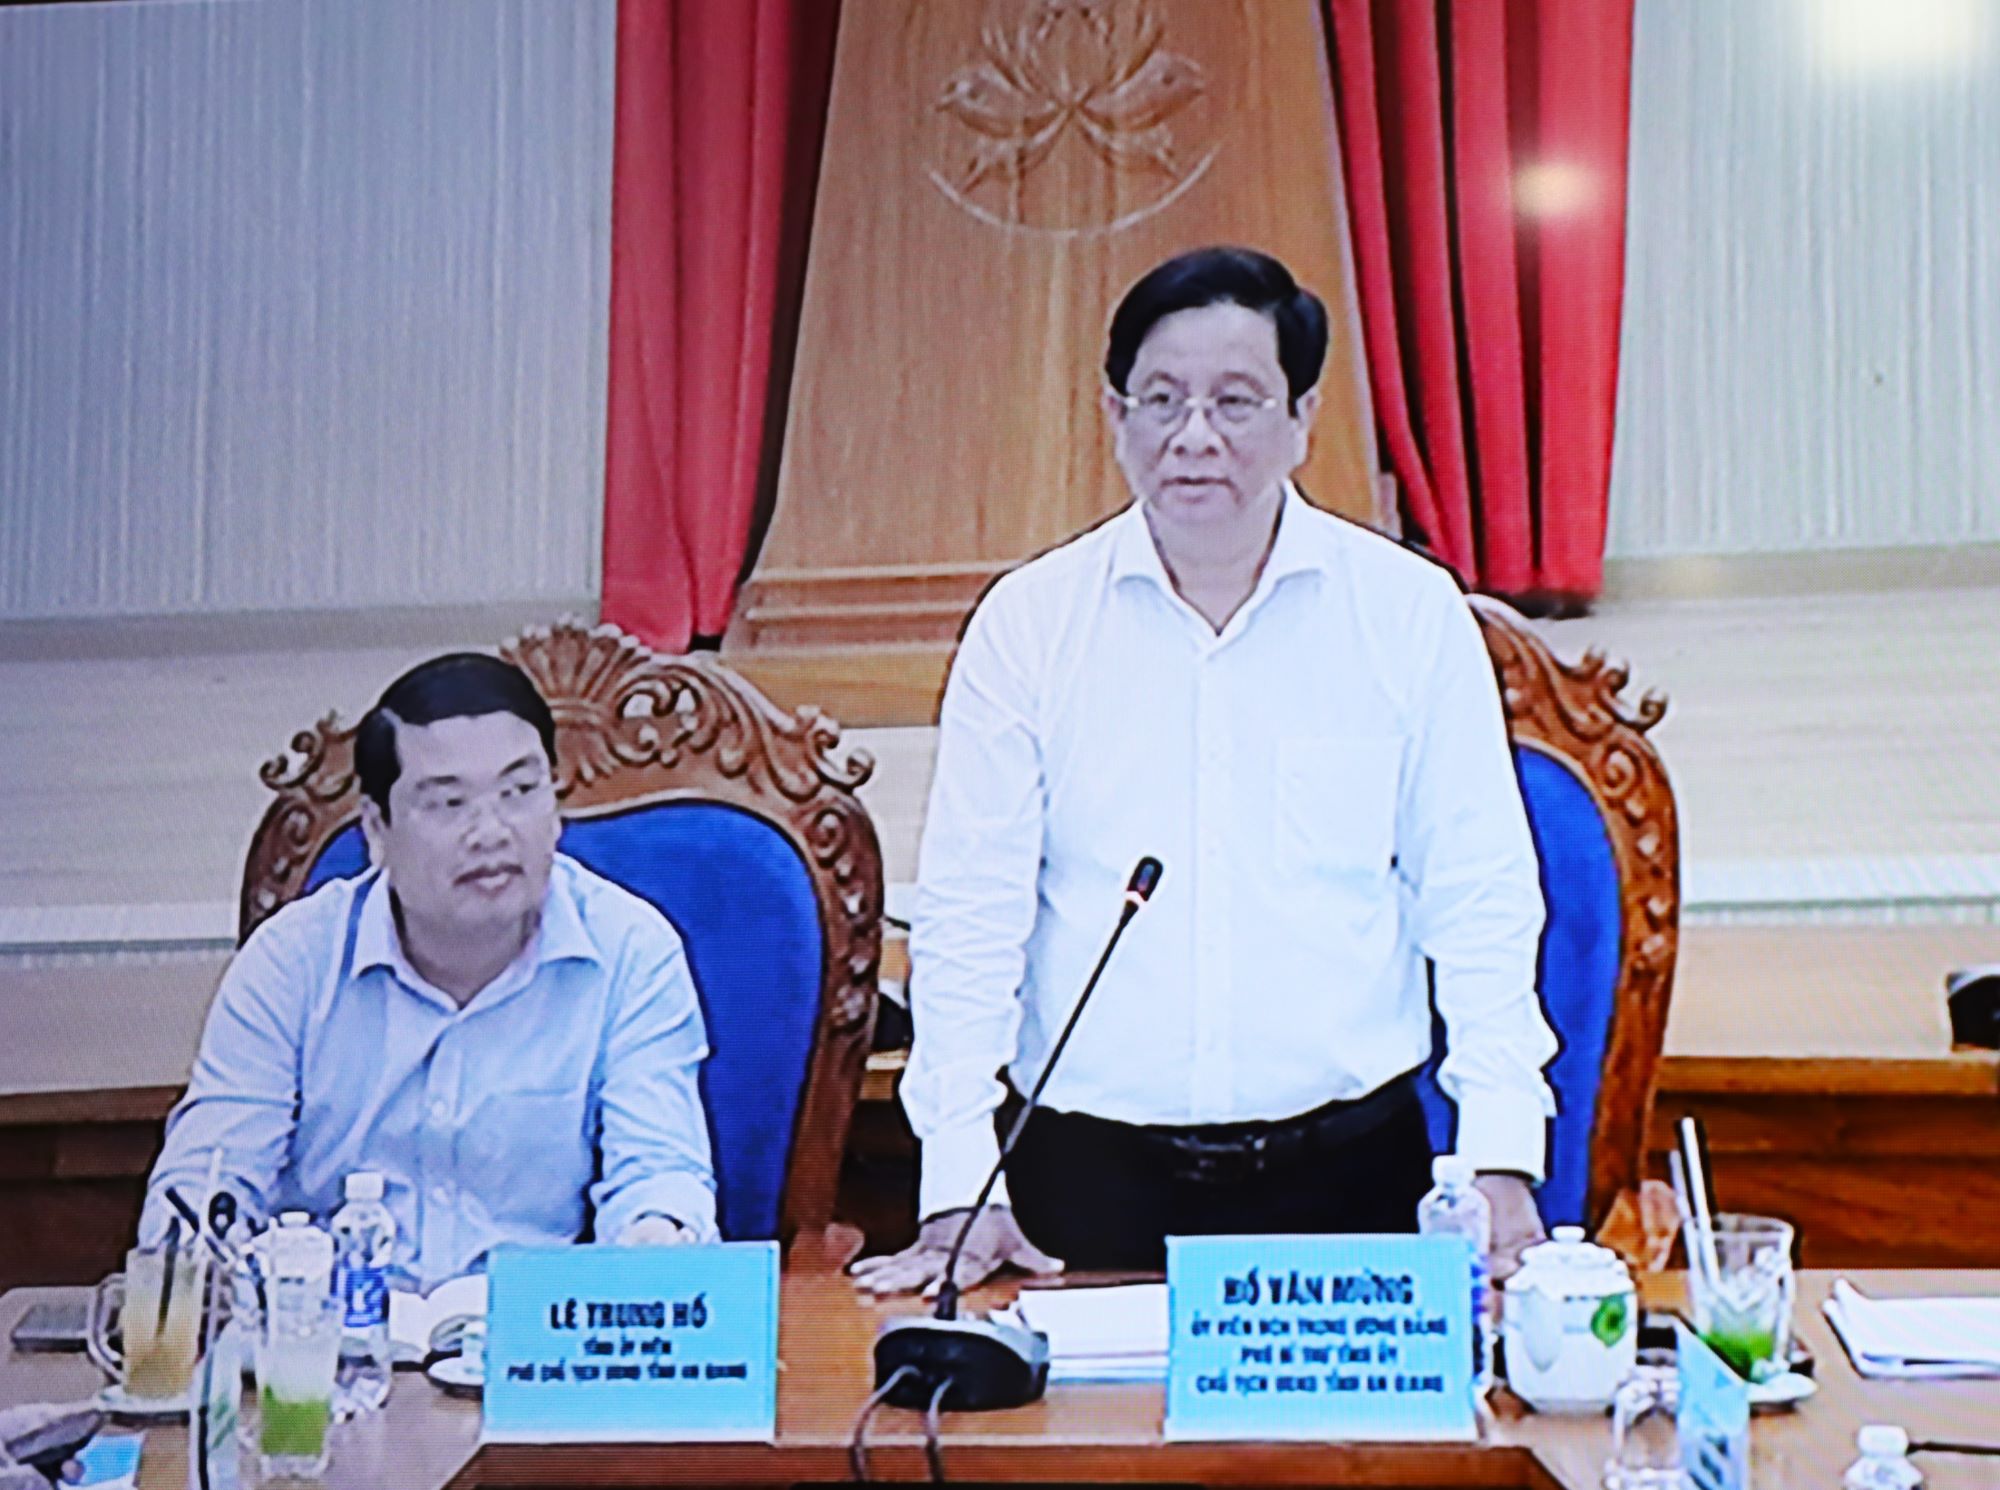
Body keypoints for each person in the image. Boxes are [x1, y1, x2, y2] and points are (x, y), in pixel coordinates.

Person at [852, 246, 1557, 1298]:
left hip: (1349, 1176)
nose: (1193, 437)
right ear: (1114, 415)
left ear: (1301, 417)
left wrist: (1498, 1148)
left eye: (1234, 401)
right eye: (1161, 399)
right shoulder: (1029, 625)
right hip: (1082, 1181)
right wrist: (960, 1175)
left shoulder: (1407, 613)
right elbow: (969, 917)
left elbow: (1479, 894)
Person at [140, 654, 717, 1285]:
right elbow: (209, 1182)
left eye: (520, 792)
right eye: (448, 803)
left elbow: (658, 1172)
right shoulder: (292, 962)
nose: (491, 832)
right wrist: (198, 1257)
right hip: (331, 1331)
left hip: (527, 1329)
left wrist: (656, 1241)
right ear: (376, 828)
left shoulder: (631, 951)